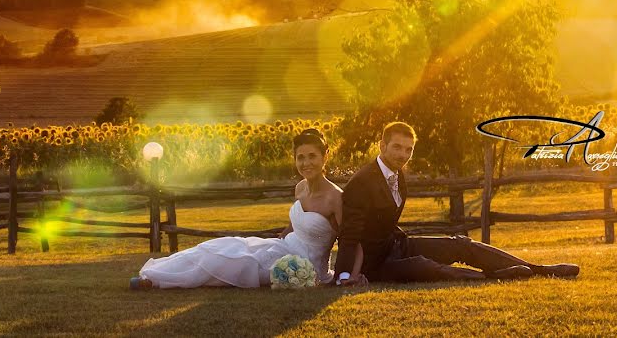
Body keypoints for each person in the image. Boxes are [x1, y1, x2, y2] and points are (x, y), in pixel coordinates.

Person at [334, 121, 581, 286]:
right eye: (397, 147)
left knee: (460, 244)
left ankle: (539, 269)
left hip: (398, 245)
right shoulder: (362, 182)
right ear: (382, 146)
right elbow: (348, 235)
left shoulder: (397, 173)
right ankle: (491, 277)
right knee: (424, 266)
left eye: (408, 150)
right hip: (374, 266)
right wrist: (344, 275)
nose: (402, 155)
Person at [131, 128, 354, 289]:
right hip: (281, 247)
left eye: (312, 156)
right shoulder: (300, 188)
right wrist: (274, 241)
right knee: (226, 245)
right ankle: (155, 273)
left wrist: (347, 275)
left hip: (302, 264)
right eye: (300, 158)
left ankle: (158, 280)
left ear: (326, 155)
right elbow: (294, 226)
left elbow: (351, 241)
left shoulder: (336, 198)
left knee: (237, 262)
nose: (306, 163)